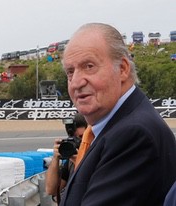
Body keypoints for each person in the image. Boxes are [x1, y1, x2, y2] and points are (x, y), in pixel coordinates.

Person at [59, 23, 176, 206]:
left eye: (89, 66)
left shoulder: (133, 134)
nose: (76, 83)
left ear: (122, 69)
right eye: (70, 72)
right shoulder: (117, 125)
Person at [45, 113, 87, 201]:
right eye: (73, 138)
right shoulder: (70, 162)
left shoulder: (98, 155)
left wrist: (79, 163)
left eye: (81, 137)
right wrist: (55, 158)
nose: (77, 141)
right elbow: (51, 190)